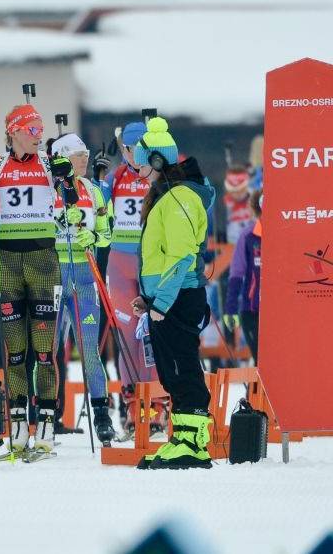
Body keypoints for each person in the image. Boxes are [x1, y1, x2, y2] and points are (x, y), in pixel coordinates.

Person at [0, 103, 73, 455]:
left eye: (41, 130)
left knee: (44, 351)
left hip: (43, 261)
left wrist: (67, 180)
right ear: (14, 132)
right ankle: (19, 426)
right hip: (7, 261)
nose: (39, 136)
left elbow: (70, 199)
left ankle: (47, 425)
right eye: (32, 130)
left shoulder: (49, 165)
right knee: (15, 352)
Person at [130, 118, 216, 470]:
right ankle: (182, 436)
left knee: (182, 367)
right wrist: (149, 298)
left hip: (178, 298)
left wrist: (161, 302)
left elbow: (180, 254)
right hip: (166, 299)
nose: (138, 172)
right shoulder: (166, 197)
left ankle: (194, 443)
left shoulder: (178, 197)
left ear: (156, 161)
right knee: (170, 369)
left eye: (141, 164)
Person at [50, 133, 113, 444]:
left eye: (85, 153)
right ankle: (45, 415)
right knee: (48, 350)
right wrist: (59, 222)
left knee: (89, 348)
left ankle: (101, 414)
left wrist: (95, 238)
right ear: (62, 158)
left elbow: (106, 231)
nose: (85, 159)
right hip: (54, 275)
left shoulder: (93, 190)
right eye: (77, 155)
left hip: (85, 276)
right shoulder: (48, 189)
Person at [105, 122, 162, 437]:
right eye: (128, 149)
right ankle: (131, 407)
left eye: (139, 149)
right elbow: (97, 208)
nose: (134, 155)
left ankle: (157, 405)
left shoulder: (158, 175)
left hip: (151, 262)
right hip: (121, 263)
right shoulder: (116, 178)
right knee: (127, 335)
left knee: (152, 333)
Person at [224, 189, 262, 362]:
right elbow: (237, 273)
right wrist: (230, 309)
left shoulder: (286, 234)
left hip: (282, 311)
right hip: (252, 311)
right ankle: (256, 389)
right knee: (262, 361)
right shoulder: (248, 236)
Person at [222, 166, 253, 245]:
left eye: (240, 191)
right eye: (233, 191)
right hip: (230, 245)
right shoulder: (222, 203)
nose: (237, 194)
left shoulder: (256, 199)